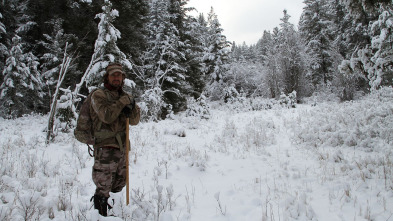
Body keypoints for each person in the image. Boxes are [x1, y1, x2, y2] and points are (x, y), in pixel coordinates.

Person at [90, 62, 140, 216]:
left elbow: (135, 121)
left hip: (122, 146)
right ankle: (99, 215)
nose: (116, 78)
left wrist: (132, 107)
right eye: (113, 75)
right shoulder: (99, 95)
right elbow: (106, 116)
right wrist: (121, 103)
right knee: (103, 183)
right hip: (105, 146)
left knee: (119, 183)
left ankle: (114, 210)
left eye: (119, 75)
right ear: (108, 77)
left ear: (123, 78)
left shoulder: (125, 96)